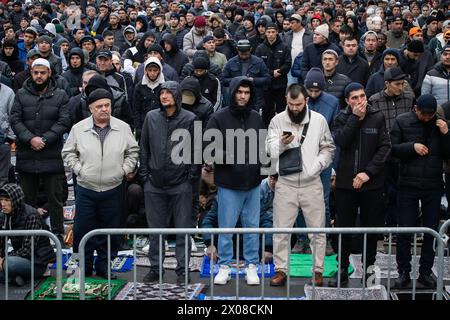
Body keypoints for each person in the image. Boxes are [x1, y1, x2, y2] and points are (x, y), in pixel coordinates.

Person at [62, 88, 139, 278]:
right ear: (91, 108)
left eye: (107, 105)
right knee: (82, 230)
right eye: (99, 106)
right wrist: (80, 169)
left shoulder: (123, 127)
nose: (104, 109)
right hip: (86, 188)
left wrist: (123, 170)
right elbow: (68, 152)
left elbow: (133, 152)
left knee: (109, 230)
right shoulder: (78, 129)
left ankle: (105, 267)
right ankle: (85, 267)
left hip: (113, 188)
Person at [266, 84, 335, 287]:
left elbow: (328, 149)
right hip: (285, 183)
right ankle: (280, 270)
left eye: (298, 104)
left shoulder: (319, 120)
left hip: (311, 182)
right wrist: (282, 143)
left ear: (306, 101)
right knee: (281, 230)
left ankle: (318, 271)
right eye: (290, 104)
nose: (294, 108)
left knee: (317, 230)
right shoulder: (277, 120)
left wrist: (316, 166)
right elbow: (269, 150)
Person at [329, 82, 391, 287]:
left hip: (371, 183)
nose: (360, 101)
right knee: (343, 228)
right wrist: (355, 118)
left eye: (362, 96)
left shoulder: (378, 116)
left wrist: (367, 173)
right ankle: (342, 268)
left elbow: (384, 148)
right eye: (354, 98)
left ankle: (369, 268)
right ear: (347, 101)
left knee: (371, 228)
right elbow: (342, 141)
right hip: (346, 184)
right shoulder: (341, 118)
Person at [205, 76, 265, 286]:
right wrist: (231, 157)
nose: (243, 96)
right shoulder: (219, 118)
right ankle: (224, 266)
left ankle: (251, 266)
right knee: (226, 228)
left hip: (253, 183)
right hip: (229, 183)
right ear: (233, 93)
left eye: (247, 93)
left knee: (252, 227)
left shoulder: (257, 118)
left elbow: (263, 146)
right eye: (240, 92)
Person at [139, 81, 198, 284]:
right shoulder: (151, 117)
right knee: (156, 231)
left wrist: (190, 177)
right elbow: (144, 146)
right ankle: (156, 268)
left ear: (177, 96)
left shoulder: (190, 118)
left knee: (182, 230)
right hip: (154, 184)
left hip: (181, 184)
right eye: (162, 92)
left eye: (168, 92)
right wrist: (145, 176)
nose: (164, 96)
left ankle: (183, 271)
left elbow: (196, 151)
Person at [391, 94, 450, 289]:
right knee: (405, 230)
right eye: (423, 114)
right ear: (415, 109)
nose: (426, 118)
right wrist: (412, 147)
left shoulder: (440, 124)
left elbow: (448, 154)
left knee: (431, 232)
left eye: (430, 115)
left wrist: (446, 134)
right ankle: (403, 272)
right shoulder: (402, 121)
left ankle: (425, 272)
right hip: (407, 184)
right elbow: (392, 150)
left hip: (433, 186)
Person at [10, 58, 71, 245]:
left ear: (49, 73)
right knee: (26, 199)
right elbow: (15, 119)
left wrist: (44, 139)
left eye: (42, 72)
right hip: (27, 155)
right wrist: (31, 139)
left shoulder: (60, 95)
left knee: (55, 198)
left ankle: (58, 234)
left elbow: (63, 121)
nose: (38, 76)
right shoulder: (20, 94)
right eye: (35, 72)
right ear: (31, 72)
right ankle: (26, 236)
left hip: (51, 154)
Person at [0, 183, 56, 286]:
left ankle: (9, 277)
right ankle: (14, 278)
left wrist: (3, 260)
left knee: (9, 264)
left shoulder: (31, 215)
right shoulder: (4, 215)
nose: (3, 204)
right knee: (5, 263)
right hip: (18, 256)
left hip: (37, 261)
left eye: (7, 200)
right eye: (1, 199)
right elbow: (1, 241)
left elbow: (27, 250)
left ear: (16, 200)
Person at [255, 23, 292, 127]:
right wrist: (272, 73)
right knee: (267, 110)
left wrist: (279, 71)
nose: (271, 34)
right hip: (266, 85)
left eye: (273, 32)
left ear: (276, 32)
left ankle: (282, 129)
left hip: (280, 84)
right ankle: (267, 130)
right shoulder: (260, 48)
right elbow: (258, 65)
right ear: (265, 33)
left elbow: (288, 63)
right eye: (268, 32)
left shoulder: (284, 47)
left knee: (281, 109)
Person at [221, 39, 270, 112]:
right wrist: (237, 81)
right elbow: (223, 79)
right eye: (241, 53)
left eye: (246, 53)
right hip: (236, 99)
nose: (244, 55)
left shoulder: (258, 62)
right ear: (237, 50)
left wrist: (254, 80)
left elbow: (267, 79)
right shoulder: (231, 62)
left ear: (250, 49)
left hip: (255, 100)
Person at [132, 57, 165, 139]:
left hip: (161, 124)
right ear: (145, 71)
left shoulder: (165, 86)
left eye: (155, 70)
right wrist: (138, 127)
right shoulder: (139, 86)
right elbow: (136, 108)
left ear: (159, 71)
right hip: (144, 124)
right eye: (150, 70)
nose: (152, 73)